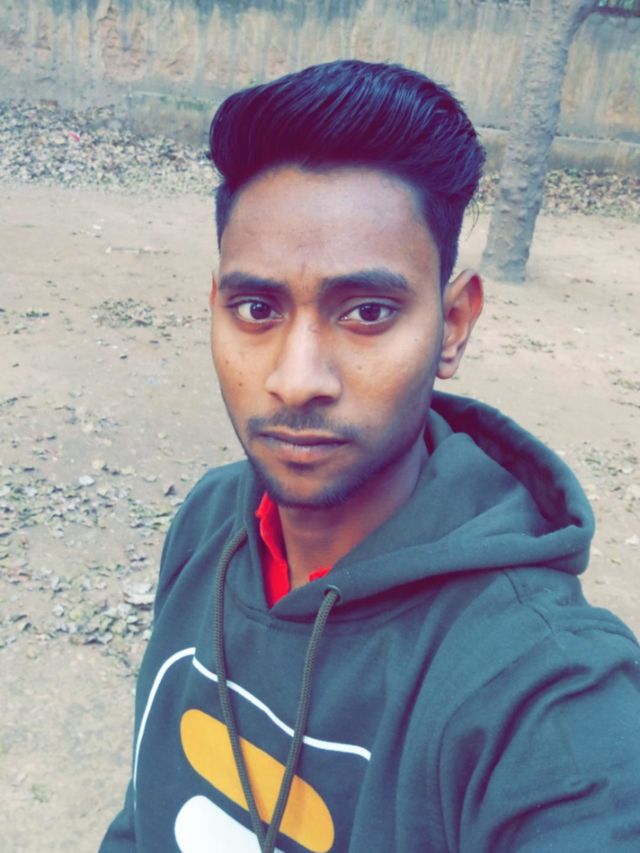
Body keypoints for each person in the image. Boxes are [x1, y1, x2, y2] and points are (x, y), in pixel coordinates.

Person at [100, 60, 640, 853]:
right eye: (256, 308)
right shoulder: (210, 520)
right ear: (214, 307)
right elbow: (147, 811)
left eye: (367, 312)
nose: (297, 379)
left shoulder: (543, 690)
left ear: (453, 324)